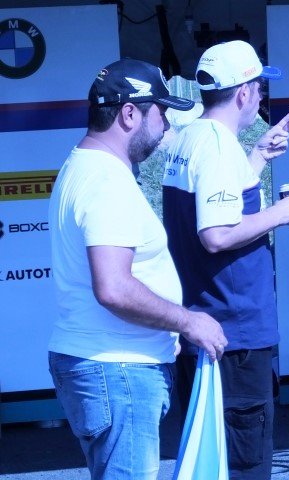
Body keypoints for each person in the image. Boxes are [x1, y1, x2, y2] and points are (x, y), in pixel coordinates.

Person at [47, 58, 227, 480]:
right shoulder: (107, 181)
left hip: (109, 364)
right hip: (118, 370)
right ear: (130, 113)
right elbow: (113, 287)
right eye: (161, 112)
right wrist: (187, 322)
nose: (165, 126)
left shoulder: (83, 166)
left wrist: (163, 331)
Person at [162, 40, 289, 480]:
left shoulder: (194, 137)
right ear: (244, 93)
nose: (262, 96)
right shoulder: (217, 146)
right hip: (234, 333)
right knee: (244, 463)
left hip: (210, 325)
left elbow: (218, 205)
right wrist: (281, 214)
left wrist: (258, 155)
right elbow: (217, 234)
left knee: (214, 459)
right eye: (260, 87)